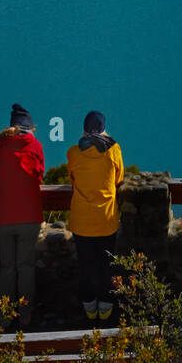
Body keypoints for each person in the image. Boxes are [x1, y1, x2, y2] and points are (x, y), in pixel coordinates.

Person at [0, 103, 45, 328]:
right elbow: (39, 174)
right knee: (26, 266)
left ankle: (5, 316)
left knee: (7, 267)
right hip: (29, 215)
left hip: (2, 216)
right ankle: (26, 314)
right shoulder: (35, 146)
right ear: (30, 128)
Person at [67, 110, 124, 323]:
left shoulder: (74, 152)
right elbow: (119, 178)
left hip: (82, 221)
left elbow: (72, 179)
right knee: (107, 265)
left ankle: (90, 310)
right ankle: (107, 309)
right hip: (106, 220)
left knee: (86, 266)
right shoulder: (114, 151)